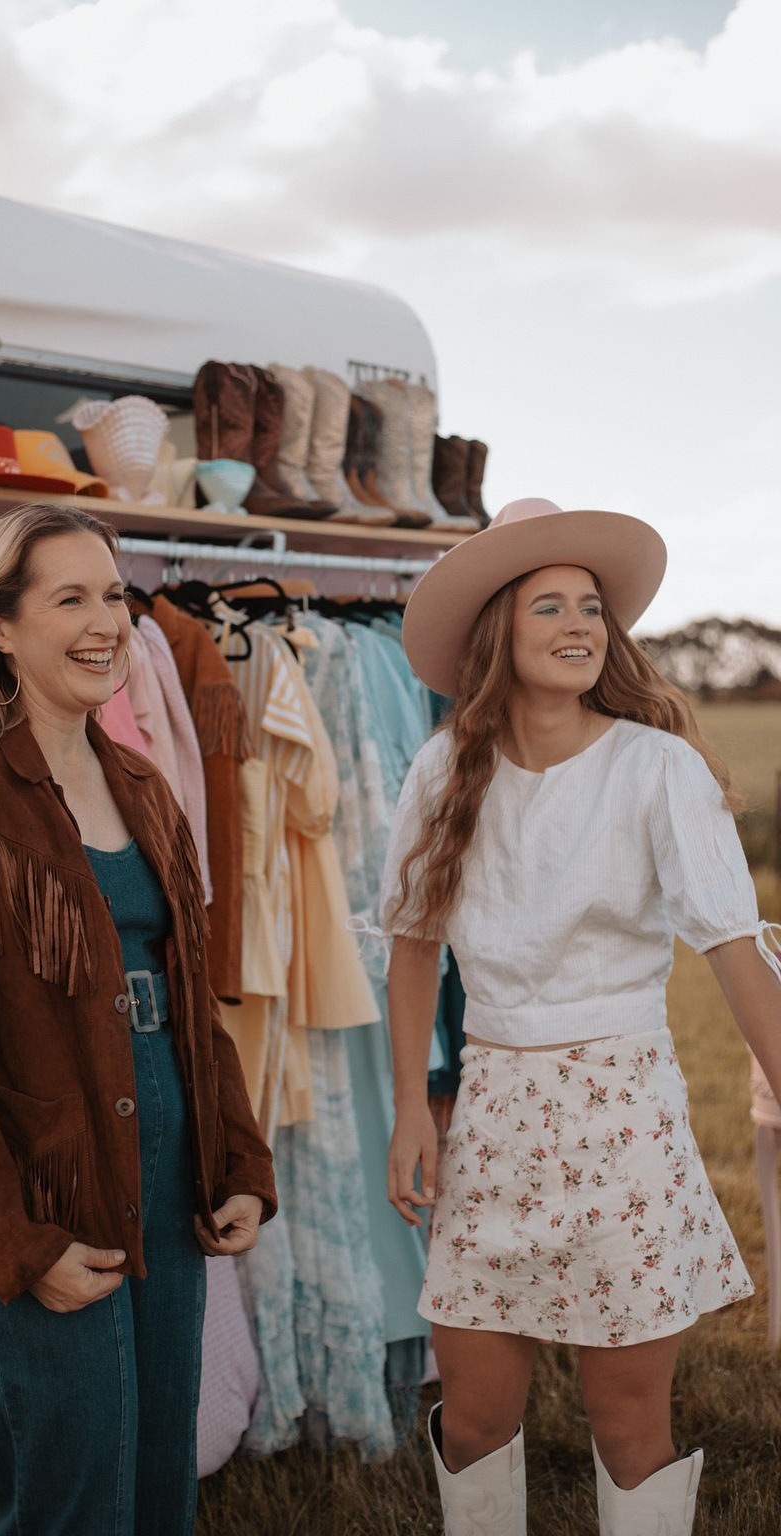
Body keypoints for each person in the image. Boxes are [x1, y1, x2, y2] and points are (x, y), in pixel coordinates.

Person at [0, 504, 277, 1536]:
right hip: (34, 1191)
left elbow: (191, 1001)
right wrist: (17, 1238)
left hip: (164, 1184)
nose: (107, 622)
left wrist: (233, 1160)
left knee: (152, 1489)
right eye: (71, 598)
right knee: (63, 1502)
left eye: (115, 596)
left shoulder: (144, 785)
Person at [379, 498, 781, 1536]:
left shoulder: (655, 767)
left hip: (622, 1112)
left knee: (625, 1418)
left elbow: (733, 945)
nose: (578, 625)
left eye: (592, 608)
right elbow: (413, 944)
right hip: (496, 1110)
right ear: (496, 634)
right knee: (470, 1412)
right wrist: (411, 1111)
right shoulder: (440, 772)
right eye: (548, 605)